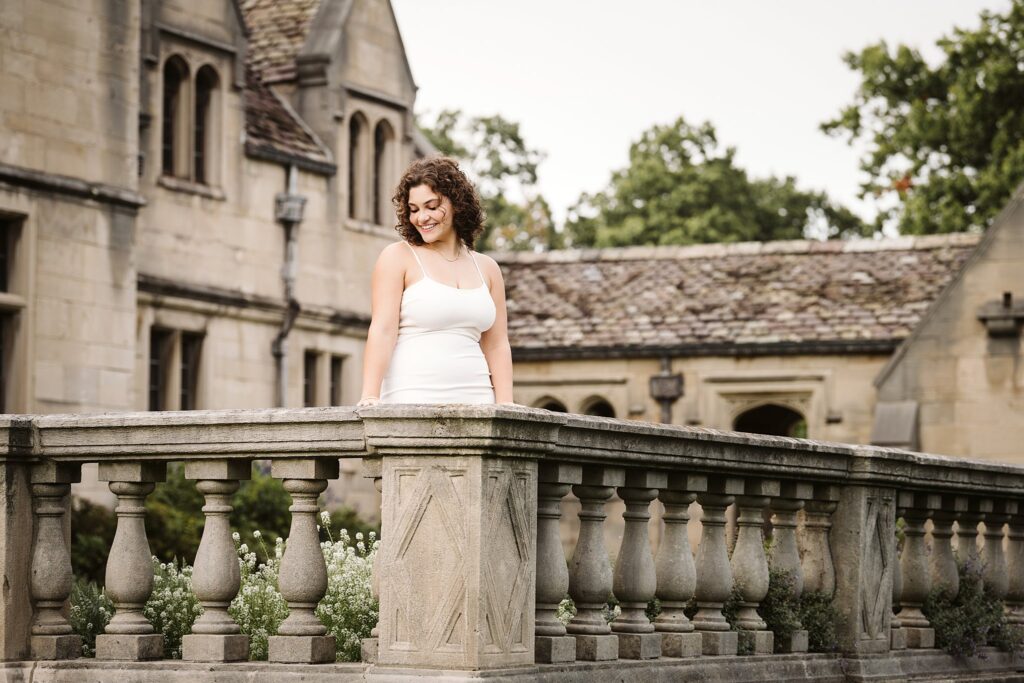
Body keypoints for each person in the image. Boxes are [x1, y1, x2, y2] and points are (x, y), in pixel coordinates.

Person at [357, 157, 513, 406]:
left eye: (431, 206)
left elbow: (497, 344)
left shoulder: (488, 268)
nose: (422, 218)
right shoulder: (397, 257)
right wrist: (370, 395)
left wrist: (505, 403)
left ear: (457, 205)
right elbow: (383, 330)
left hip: (478, 399)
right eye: (414, 209)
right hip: (411, 397)